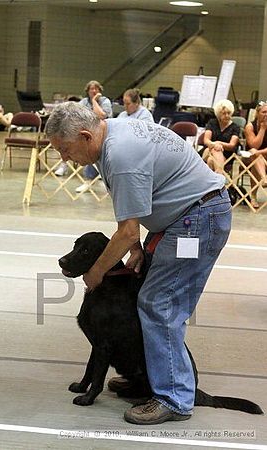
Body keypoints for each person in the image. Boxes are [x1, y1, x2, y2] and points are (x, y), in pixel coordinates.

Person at [46, 102, 231, 425]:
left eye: (64, 149)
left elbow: (126, 230)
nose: (64, 158)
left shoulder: (120, 157)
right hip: (182, 219)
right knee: (153, 299)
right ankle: (153, 377)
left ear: (87, 136)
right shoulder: (114, 133)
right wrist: (140, 246)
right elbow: (149, 197)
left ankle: (173, 398)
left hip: (196, 222)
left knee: (159, 305)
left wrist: (96, 272)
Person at [55, 80, 112, 184]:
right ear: (88, 90)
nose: (94, 90)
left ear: (100, 90)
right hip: (85, 131)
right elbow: (74, 115)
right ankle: (63, 165)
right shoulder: (83, 102)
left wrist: (94, 101)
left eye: (96, 88)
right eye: (92, 88)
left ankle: (102, 171)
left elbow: (101, 116)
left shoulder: (105, 101)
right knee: (66, 140)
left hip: (102, 132)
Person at [203, 99, 240, 174]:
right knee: (215, 149)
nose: (227, 116)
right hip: (208, 150)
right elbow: (206, 140)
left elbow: (232, 145)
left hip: (227, 155)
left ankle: (213, 182)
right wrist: (214, 145)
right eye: (224, 113)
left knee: (211, 160)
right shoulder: (212, 123)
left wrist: (219, 143)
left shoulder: (235, 127)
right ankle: (220, 176)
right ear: (218, 114)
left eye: (229, 113)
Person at [244, 101, 267, 208]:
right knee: (256, 158)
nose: (266, 115)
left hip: (263, 156)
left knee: (258, 156)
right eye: (264, 112)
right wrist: (262, 129)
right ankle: (253, 195)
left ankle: (262, 182)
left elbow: (257, 150)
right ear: (257, 113)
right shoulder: (250, 126)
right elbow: (254, 145)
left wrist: (259, 152)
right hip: (249, 158)